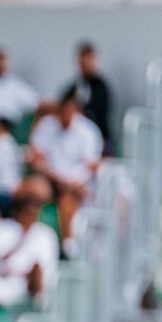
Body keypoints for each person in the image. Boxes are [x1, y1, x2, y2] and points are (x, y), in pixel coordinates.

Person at [25, 95, 104, 250]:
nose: (64, 118)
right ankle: (28, 239)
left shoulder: (88, 131)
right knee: (33, 190)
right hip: (50, 180)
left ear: (76, 112)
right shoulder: (47, 126)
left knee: (68, 198)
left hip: (78, 184)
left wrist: (72, 183)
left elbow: (92, 167)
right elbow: (34, 157)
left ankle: (70, 246)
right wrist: (52, 175)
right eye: (62, 113)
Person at [0, 184, 61, 313]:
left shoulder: (46, 234)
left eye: (34, 211)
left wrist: (27, 275)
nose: (31, 215)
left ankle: (40, 308)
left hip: (34, 284)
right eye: (26, 211)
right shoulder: (2, 229)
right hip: (7, 281)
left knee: (37, 271)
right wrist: (22, 237)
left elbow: (47, 266)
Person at [61, 42, 113, 147]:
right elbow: (63, 103)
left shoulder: (100, 87)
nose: (84, 66)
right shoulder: (75, 86)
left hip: (99, 139)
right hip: (75, 141)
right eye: (82, 62)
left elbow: (98, 113)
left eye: (87, 61)